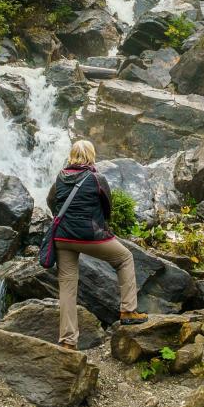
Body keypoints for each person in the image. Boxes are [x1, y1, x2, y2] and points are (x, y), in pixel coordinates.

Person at [46, 139, 147, 349]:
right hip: (90, 236)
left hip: (63, 238)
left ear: (72, 155)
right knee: (125, 258)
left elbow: (51, 202)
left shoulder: (60, 177)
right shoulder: (96, 178)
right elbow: (107, 207)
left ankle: (67, 341)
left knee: (67, 287)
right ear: (91, 155)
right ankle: (128, 310)